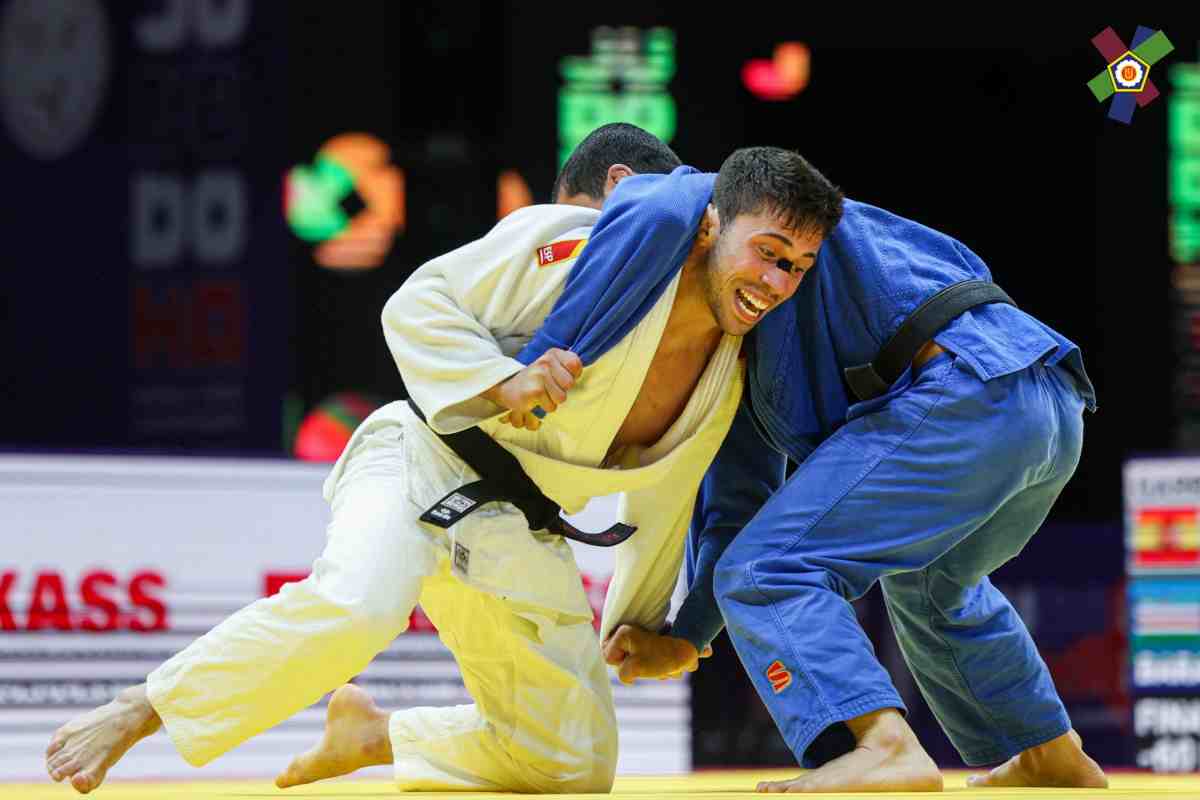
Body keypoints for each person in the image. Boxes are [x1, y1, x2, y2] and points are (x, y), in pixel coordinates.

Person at [44, 127, 843, 795]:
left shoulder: (733, 367)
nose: (777, 282)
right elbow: (418, 304)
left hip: (518, 523)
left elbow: (668, 497)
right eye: (767, 254)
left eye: (794, 268)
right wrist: (503, 379)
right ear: (706, 223)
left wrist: (649, 624)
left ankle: (381, 736)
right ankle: (141, 706)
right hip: (422, 459)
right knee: (362, 604)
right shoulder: (594, 240)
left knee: (577, 762)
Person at [557, 163, 1110, 793]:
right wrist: (688, 637)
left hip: (967, 393)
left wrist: (538, 355)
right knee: (935, 585)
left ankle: (882, 746)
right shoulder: (770, 253)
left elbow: (750, 538)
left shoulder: (707, 219)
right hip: (1045, 395)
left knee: (767, 573)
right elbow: (740, 504)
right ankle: (1046, 749)